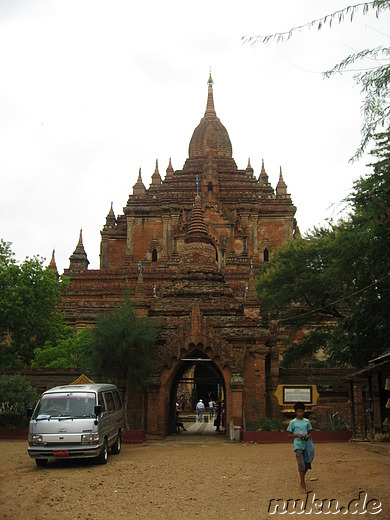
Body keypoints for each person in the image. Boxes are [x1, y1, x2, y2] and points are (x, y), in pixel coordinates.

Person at [287, 402, 313, 493]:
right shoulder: (293, 422)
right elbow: (288, 435)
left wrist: (307, 436)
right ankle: (303, 485)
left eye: (302, 411)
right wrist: (296, 435)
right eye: (299, 412)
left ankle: (302, 479)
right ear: (296, 412)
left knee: (306, 464)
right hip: (298, 446)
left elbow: (310, 432)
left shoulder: (307, 421)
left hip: (306, 445)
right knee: (301, 464)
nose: (300, 413)